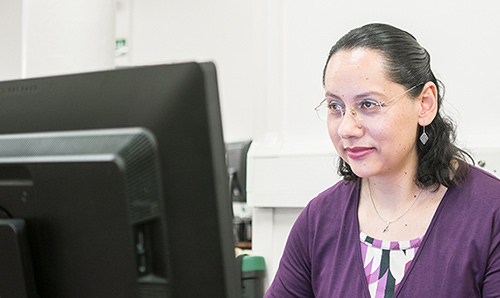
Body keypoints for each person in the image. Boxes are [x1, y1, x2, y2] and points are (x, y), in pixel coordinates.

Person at [264, 23, 500, 298]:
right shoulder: (318, 220)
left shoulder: (490, 213)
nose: (346, 129)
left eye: (368, 104)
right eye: (335, 107)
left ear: (425, 104)